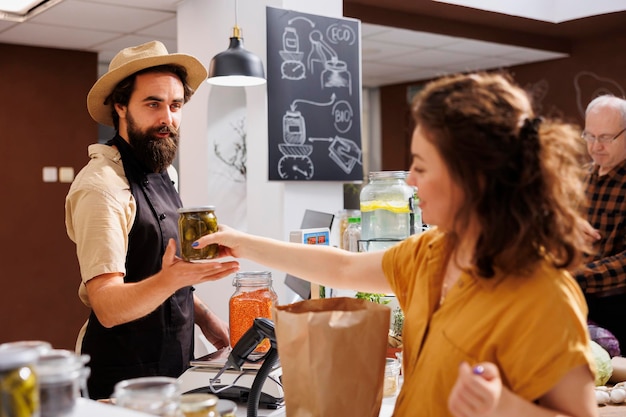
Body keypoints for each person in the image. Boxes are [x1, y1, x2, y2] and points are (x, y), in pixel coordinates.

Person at [196, 72, 598, 416]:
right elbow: (343, 268)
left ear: (474, 178)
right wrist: (242, 244)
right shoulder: (432, 253)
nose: (409, 182)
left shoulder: (544, 296)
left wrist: (504, 408)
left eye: (421, 167)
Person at [65, 41, 240, 399]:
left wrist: (206, 320)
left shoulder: (166, 175)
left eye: (175, 106)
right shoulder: (101, 187)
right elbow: (108, 306)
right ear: (120, 106)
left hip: (174, 363)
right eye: (153, 104)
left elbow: (160, 269)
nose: (168, 119)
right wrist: (172, 278)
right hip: (120, 379)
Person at [572, 95, 626, 351]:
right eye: (589, 136)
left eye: (605, 137)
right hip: (576, 301)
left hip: (620, 310)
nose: (595, 147)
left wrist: (576, 276)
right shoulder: (579, 178)